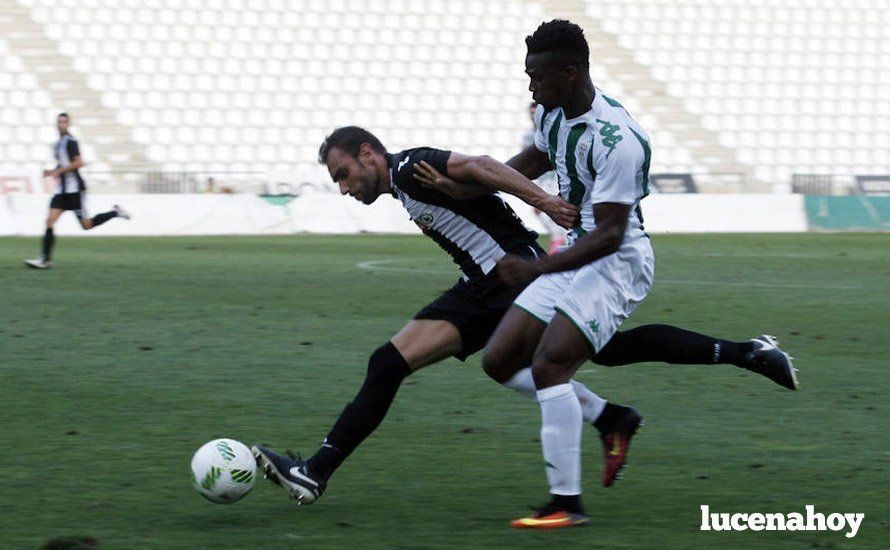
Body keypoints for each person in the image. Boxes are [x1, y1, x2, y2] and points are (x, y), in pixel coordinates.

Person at [252, 126, 796, 508]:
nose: (345, 188)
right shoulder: (404, 184)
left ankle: (734, 358)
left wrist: (548, 202)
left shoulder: (411, 167)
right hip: (481, 288)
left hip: (511, 276)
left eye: (345, 174)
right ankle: (632, 407)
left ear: (369, 153)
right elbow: (481, 182)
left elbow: (484, 166)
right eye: (338, 183)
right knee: (402, 363)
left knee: (600, 350)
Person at [473, 19, 798, 529]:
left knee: (551, 366)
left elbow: (609, 235)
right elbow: (534, 160)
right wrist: (476, 184)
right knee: (499, 359)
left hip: (615, 261)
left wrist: (535, 267)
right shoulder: (551, 113)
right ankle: (615, 416)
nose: (530, 86)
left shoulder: (619, 140)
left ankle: (566, 504)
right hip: (578, 250)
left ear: (570, 71)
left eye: (537, 75)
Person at [24, 113, 130, 269]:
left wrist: (59, 172)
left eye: (64, 122)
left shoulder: (71, 142)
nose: (62, 124)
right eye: (59, 121)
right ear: (56, 124)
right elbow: (63, 165)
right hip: (62, 191)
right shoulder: (57, 144)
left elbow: (79, 162)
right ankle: (45, 260)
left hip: (75, 191)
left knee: (86, 225)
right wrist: (51, 171)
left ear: (68, 124)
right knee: (49, 221)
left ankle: (115, 212)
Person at [523, 101, 567, 254]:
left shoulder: (550, 130)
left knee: (550, 208)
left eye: (535, 113)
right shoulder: (529, 135)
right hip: (542, 179)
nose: (533, 116)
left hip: (553, 178)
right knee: (538, 210)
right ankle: (560, 239)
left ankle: (559, 239)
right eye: (531, 113)